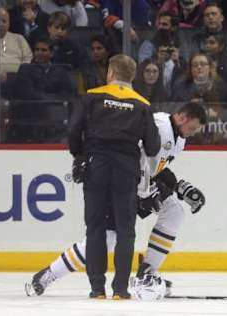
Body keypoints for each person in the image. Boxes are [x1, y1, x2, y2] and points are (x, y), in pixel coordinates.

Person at [25, 102, 207, 300]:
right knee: (105, 239)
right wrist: (147, 193)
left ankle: (147, 272)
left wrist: (179, 187)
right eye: (192, 128)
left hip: (139, 184)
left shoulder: (178, 138)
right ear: (182, 118)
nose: (192, 133)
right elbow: (134, 160)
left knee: (174, 212)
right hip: (120, 182)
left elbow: (155, 168)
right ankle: (49, 274)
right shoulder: (159, 127)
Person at [67, 54, 161, 300]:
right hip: (126, 169)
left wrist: (80, 154)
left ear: (110, 73)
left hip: (95, 164)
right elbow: (152, 146)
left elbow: (73, 130)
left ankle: (97, 288)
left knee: (95, 226)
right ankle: (120, 289)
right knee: (125, 228)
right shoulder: (142, 103)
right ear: (132, 76)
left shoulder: (92, 96)